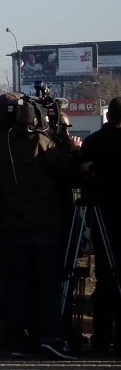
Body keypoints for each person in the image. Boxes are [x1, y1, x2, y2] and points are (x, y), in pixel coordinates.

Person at [0, 92, 77, 360]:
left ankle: (18, 342)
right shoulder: (41, 141)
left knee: (16, 287)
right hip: (45, 226)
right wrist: (66, 143)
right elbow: (63, 168)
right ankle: (51, 337)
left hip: (10, 228)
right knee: (47, 286)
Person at [79, 96, 121, 356]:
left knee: (105, 280)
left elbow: (81, 175)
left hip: (104, 219)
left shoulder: (94, 142)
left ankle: (103, 335)